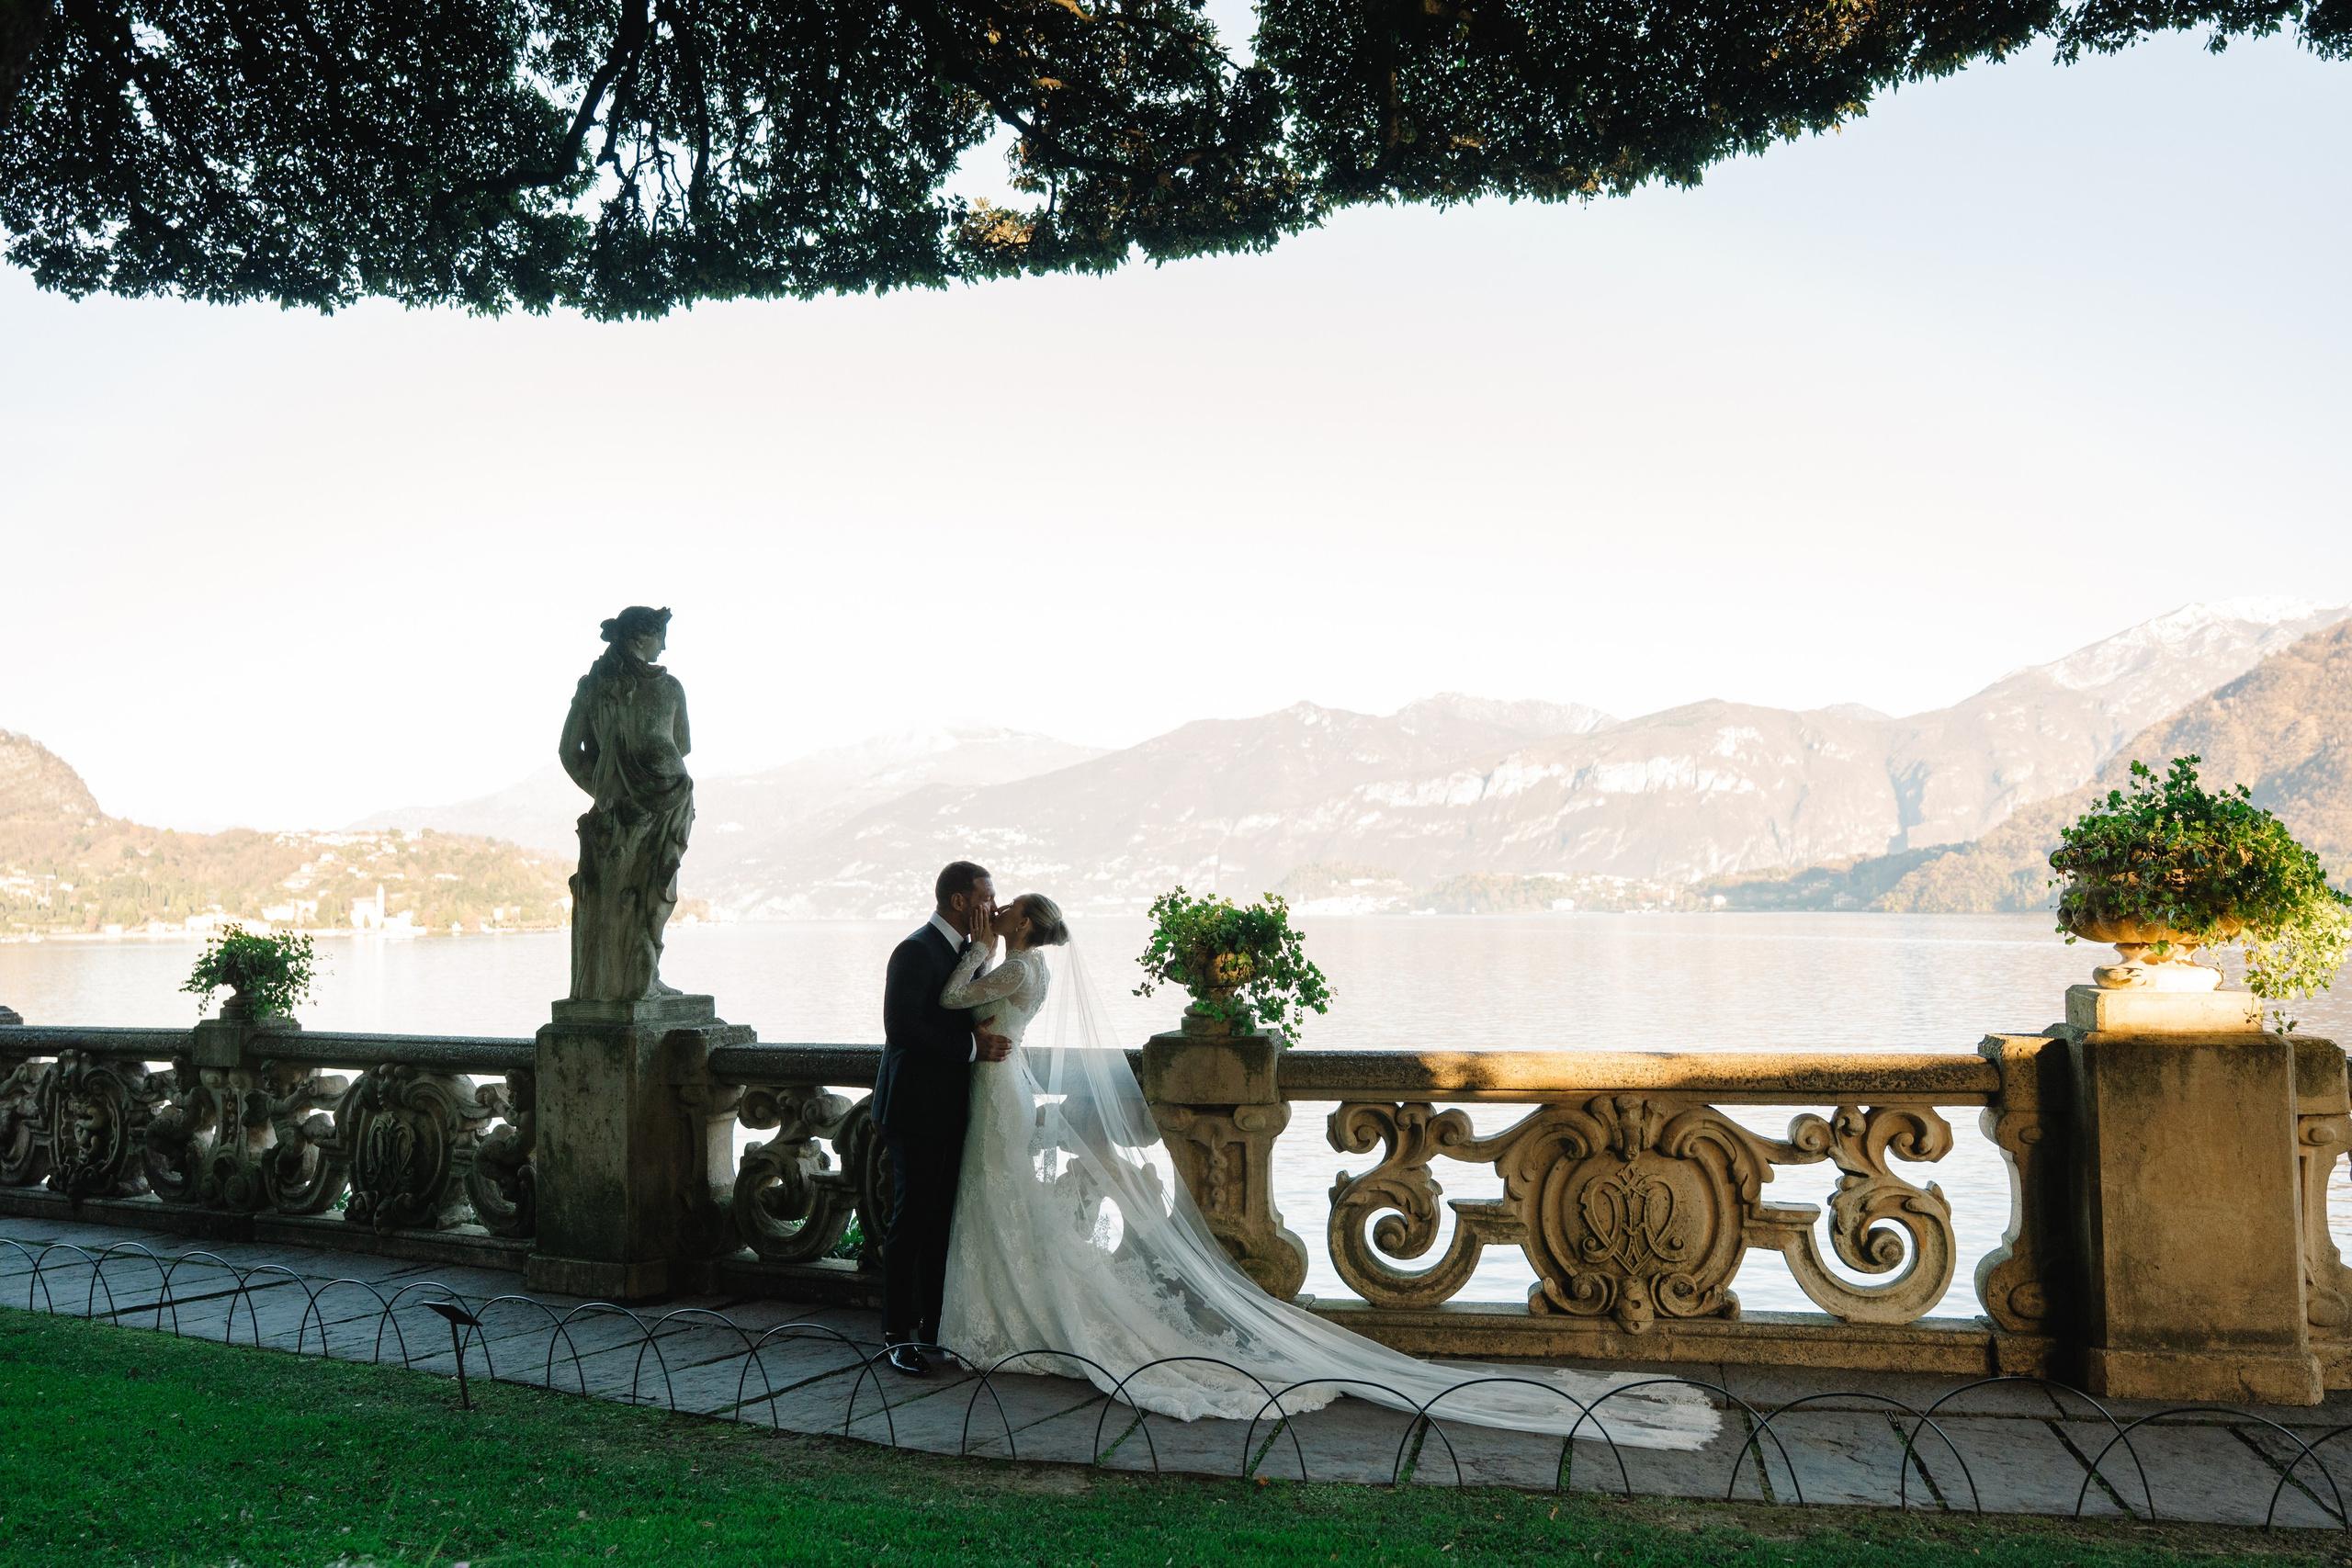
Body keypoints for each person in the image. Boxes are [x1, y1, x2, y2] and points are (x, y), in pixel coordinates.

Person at [922, 887, 1721, 1451]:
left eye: (1009, 908)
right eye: (995, 907)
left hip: (1000, 1084)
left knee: (1004, 1198)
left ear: (1025, 923)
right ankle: (1004, 1306)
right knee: (1002, 1201)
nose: (998, 912)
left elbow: (957, 997)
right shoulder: (1033, 968)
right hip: (1000, 1082)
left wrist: (977, 948)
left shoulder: (1017, 965)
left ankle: (1010, 1315)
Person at [872, 861, 1012, 1374]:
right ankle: (894, 1335)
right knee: (910, 1221)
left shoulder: (966, 955)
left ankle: (933, 1327)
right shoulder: (914, 951)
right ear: (959, 902)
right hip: (912, 1108)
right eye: (985, 897)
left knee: (940, 1222)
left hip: (950, 1108)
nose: (993, 908)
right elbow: (901, 1028)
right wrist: (970, 1047)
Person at [558, 606, 693, 1001]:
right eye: (658, 637)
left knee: (653, 887)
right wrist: (607, 792)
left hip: (665, 804)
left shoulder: (599, 688)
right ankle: (632, 981)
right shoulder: (613, 688)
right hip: (645, 803)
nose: (664, 646)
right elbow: (680, 745)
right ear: (638, 637)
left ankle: (642, 976)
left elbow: (571, 753)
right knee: (647, 890)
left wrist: (605, 788)